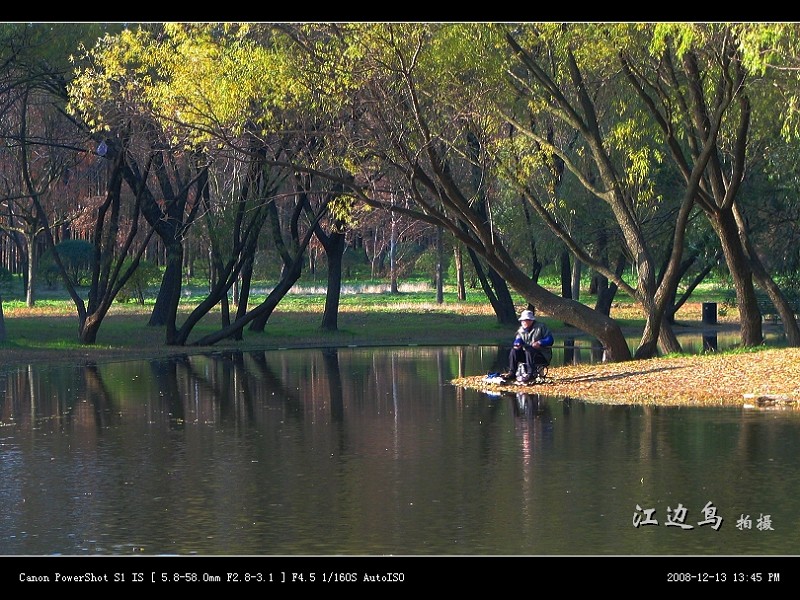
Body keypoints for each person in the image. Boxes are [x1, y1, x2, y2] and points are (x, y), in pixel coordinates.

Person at [506, 308, 553, 383]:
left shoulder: (541, 327)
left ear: (531, 320)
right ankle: (512, 373)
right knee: (514, 351)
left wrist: (540, 342)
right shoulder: (521, 330)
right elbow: (518, 339)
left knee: (529, 350)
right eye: (522, 320)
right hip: (527, 356)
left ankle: (530, 374)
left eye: (525, 320)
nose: (523, 322)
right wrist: (517, 344)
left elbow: (550, 339)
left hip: (542, 356)